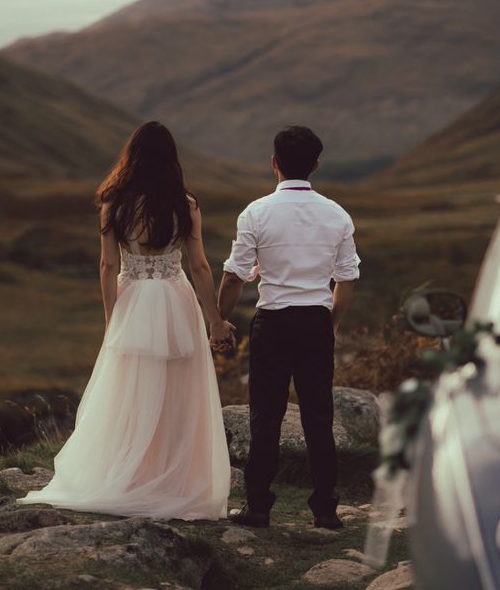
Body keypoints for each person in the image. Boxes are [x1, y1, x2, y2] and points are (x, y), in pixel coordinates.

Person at [18, 121, 233, 520]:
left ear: (131, 157)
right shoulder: (185, 204)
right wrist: (216, 321)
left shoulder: (114, 203)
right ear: (171, 159)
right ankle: (174, 482)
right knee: (178, 395)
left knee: (129, 392)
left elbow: (107, 264)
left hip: (132, 299)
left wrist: (110, 318)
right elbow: (200, 266)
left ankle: (129, 477)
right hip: (175, 299)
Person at [217, 125, 360, 529]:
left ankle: (258, 506)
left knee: (266, 415)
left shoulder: (256, 212)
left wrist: (220, 319)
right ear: (315, 165)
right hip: (315, 318)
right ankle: (326, 509)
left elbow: (233, 277)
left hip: (274, 322)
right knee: (319, 416)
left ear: (274, 164)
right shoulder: (336, 213)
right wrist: (329, 324)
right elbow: (346, 279)